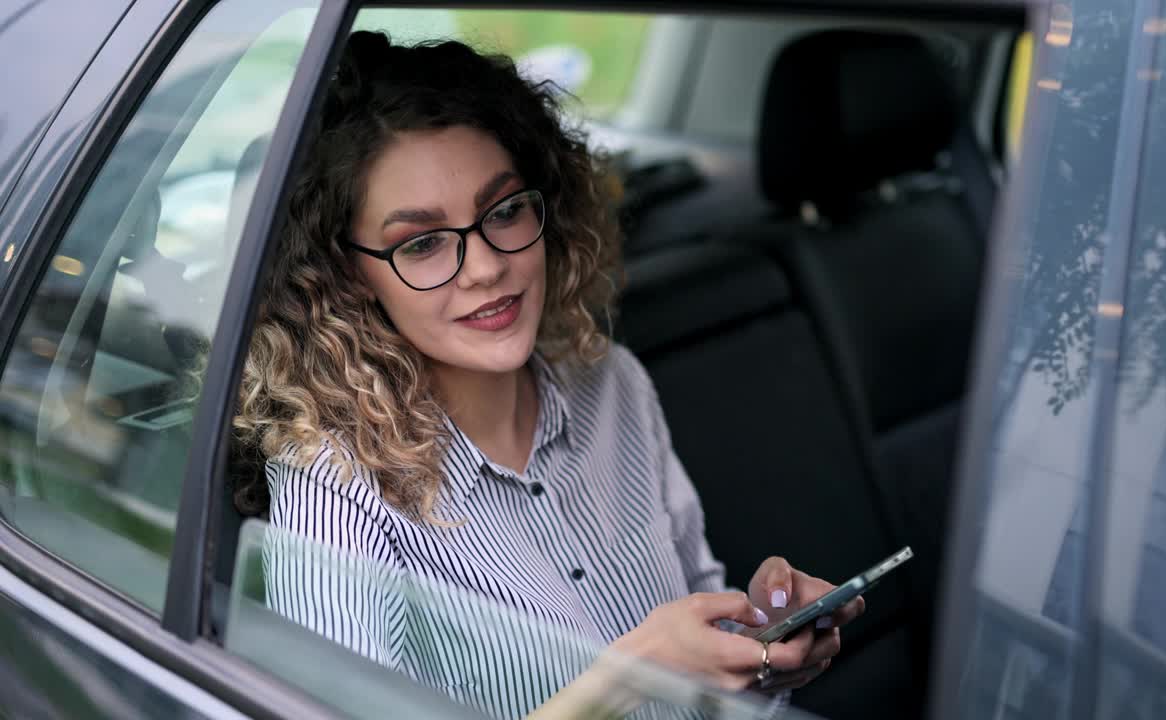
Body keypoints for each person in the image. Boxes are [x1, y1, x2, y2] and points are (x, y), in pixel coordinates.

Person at [233, 30, 863, 719]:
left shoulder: (612, 385)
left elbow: (703, 656)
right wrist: (638, 669)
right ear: (343, 277)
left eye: (503, 211)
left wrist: (762, 646)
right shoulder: (339, 487)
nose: (485, 266)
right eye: (421, 243)